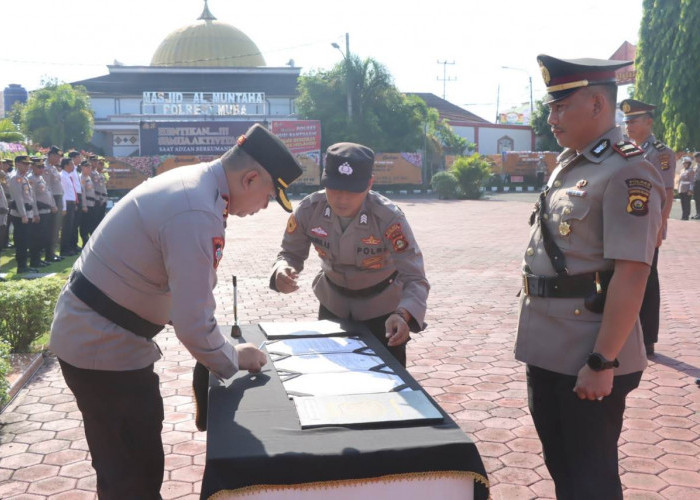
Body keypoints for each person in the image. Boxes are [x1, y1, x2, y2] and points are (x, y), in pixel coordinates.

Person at [49, 123, 302, 499]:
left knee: (127, 464)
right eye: (268, 195)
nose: (264, 206)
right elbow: (193, 325)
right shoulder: (195, 209)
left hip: (101, 337)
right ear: (250, 178)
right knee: (132, 473)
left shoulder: (199, 187)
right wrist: (234, 356)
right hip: (103, 348)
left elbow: (179, 289)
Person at [515, 54, 664, 500]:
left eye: (562, 107)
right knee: (563, 466)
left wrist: (603, 362)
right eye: (551, 106)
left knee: (590, 478)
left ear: (598, 105)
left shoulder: (626, 170)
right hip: (547, 342)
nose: (551, 116)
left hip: (588, 350)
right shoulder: (572, 163)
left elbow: (633, 274)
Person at [270, 142, 430, 367]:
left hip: (383, 313)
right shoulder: (309, 210)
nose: (342, 199)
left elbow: (415, 278)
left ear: (369, 184)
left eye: (352, 191)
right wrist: (282, 269)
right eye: (334, 189)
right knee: (333, 377)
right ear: (324, 181)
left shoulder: (388, 218)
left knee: (388, 385)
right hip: (333, 305)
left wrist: (403, 315)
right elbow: (289, 253)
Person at [619, 99, 675, 356]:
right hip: (625, 225)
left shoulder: (660, 152)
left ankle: (648, 337)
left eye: (633, 120)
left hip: (647, 227)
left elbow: (667, 192)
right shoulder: (623, 148)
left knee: (647, 280)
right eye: (626, 121)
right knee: (623, 278)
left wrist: (660, 228)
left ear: (649, 122)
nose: (628, 125)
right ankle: (625, 332)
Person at [7, 155, 40, 273]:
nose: (27, 166)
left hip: (29, 213)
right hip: (21, 215)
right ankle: (21, 266)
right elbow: (18, 199)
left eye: (28, 164)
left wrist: (35, 213)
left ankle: (25, 265)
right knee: (21, 241)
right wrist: (23, 215)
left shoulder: (24, 178)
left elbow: (31, 198)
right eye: (24, 164)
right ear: (17, 164)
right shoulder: (15, 178)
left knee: (26, 240)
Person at [27, 156, 57, 268]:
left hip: (46, 211)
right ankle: (34, 261)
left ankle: (39, 259)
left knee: (43, 237)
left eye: (42, 166)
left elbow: (48, 192)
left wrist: (53, 205)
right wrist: (35, 213)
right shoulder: (31, 179)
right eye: (39, 167)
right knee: (37, 237)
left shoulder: (40, 178)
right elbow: (32, 198)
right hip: (39, 212)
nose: (42, 169)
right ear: (32, 167)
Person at [44, 146, 65, 262]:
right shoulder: (46, 168)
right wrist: (53, 204)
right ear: (51, 155)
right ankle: (49, 254)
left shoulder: (53, 168)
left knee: (56, 228)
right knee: (51, 228)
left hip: (58, 198)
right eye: (57, 156)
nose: (58, 159)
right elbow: (47, 188)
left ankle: (52, 253)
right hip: (52, 200)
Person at [59, 157, 79, 256]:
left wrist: (75, 202)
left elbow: (71, 191)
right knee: (66, 228)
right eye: (71, 164)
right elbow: (62, 192)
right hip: (66, 203)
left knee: (71, 227)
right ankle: (64, 250)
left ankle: (70, 248)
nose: (73, 166)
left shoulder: (68, 175)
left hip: (71, 202)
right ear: (66, 165)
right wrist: (64, 208)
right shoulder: (62, 176)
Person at [692, 152, 700, 219]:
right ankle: (698, 213)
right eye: (695, 158)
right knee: (696, 199)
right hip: (696, 183)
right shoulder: (695, 166)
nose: (695, 159)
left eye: (697, 157)